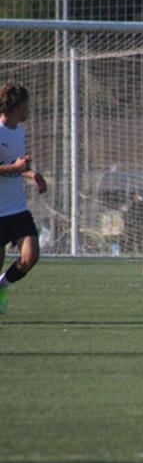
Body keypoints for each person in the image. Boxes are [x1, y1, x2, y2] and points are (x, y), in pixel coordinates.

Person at [0, 83, 48, 314]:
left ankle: (3, 285)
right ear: (17, 106)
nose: (29, 109)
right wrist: (16, 167)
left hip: (17, 207)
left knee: (31, 256)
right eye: (27, 104)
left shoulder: (19, 131)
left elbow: (15, 166)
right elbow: (9, 166)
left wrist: (31, 173)